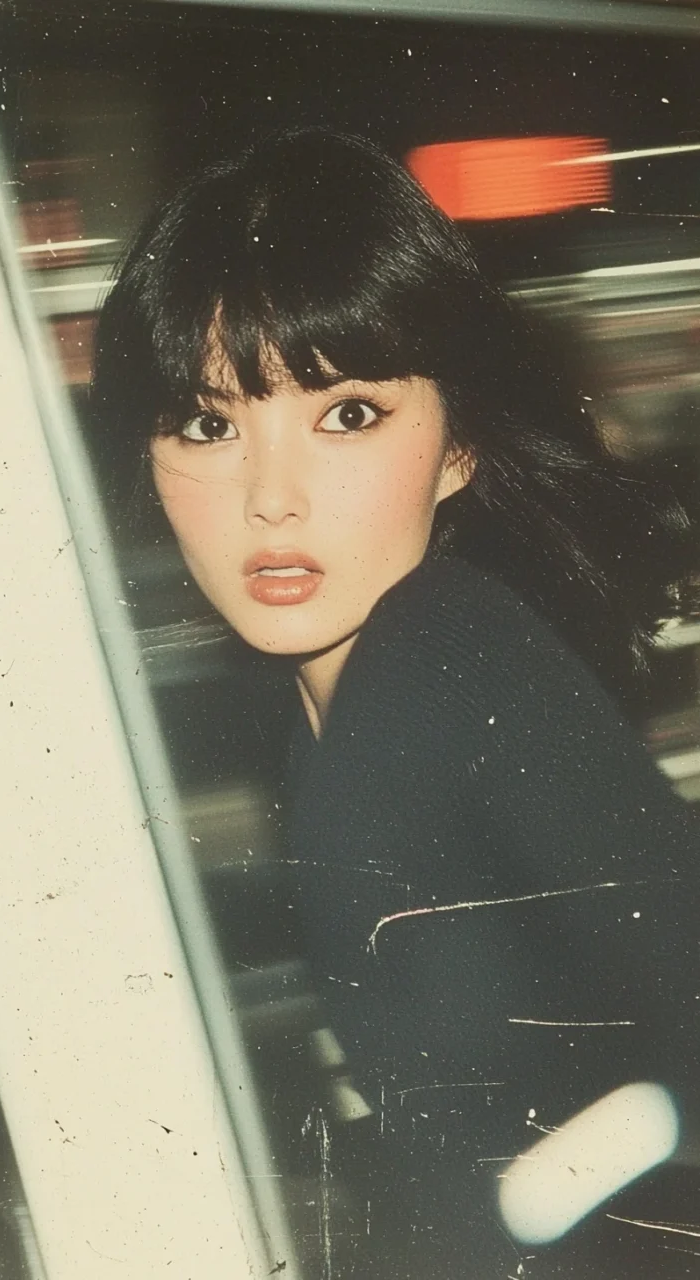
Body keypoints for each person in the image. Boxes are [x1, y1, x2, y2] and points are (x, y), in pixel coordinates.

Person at [92, 128, 700, 1278]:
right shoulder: (362, 691)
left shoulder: (436, 664)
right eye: (210, 425)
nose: (271, 497)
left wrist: (533, 1196)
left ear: (459, 446)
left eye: (348, 413)